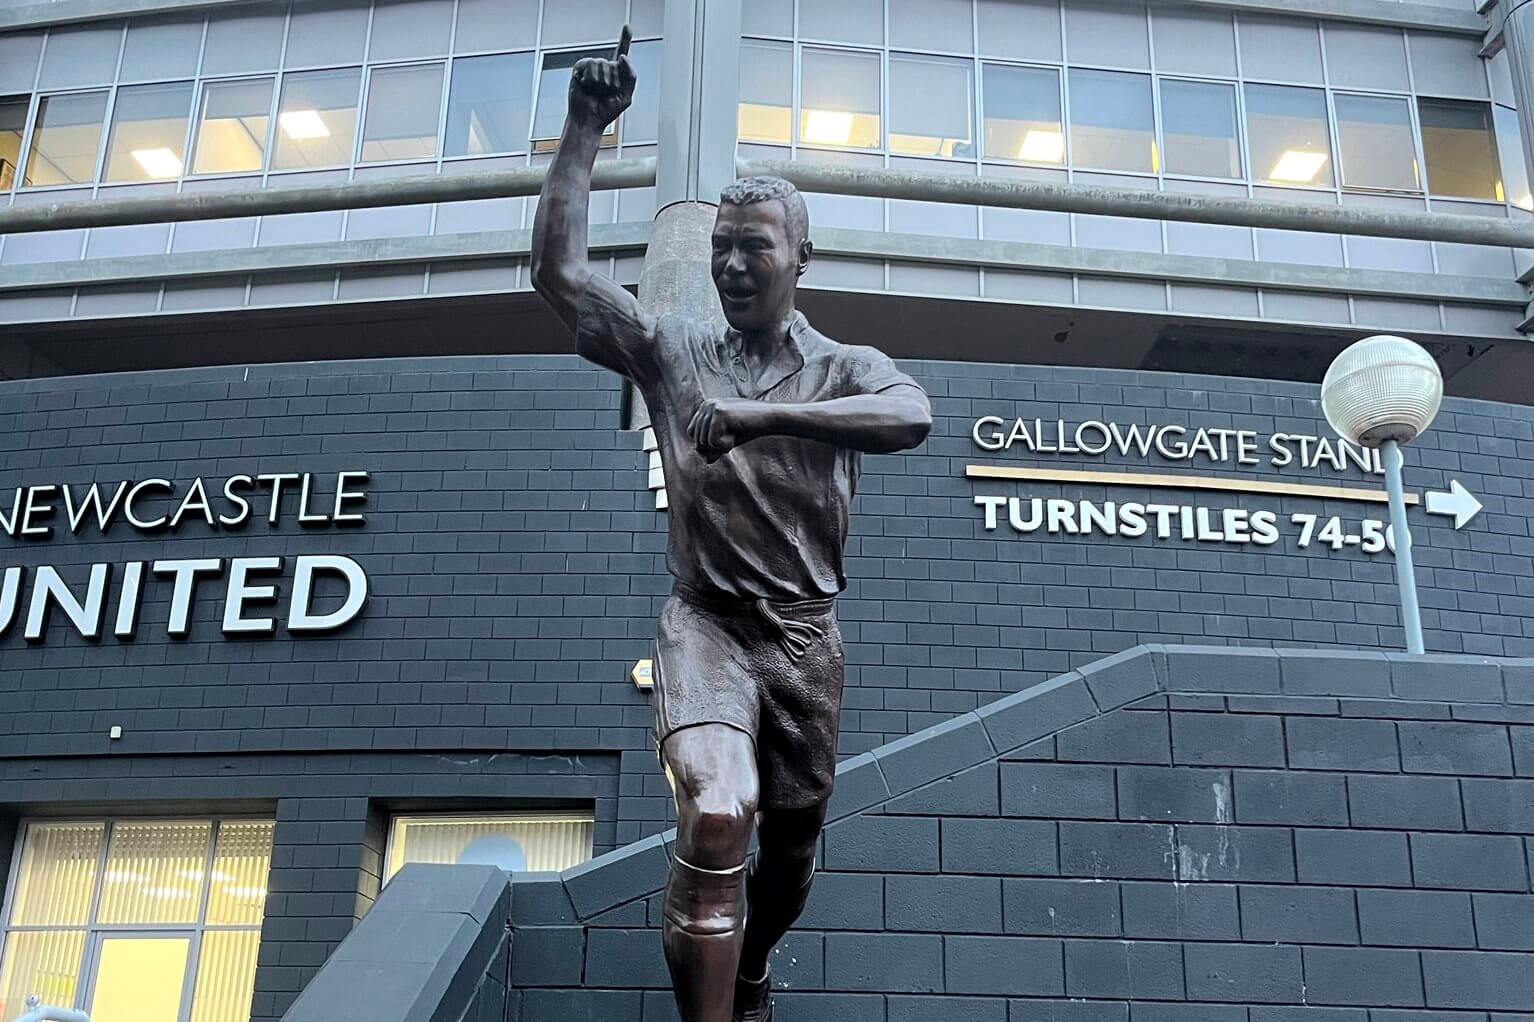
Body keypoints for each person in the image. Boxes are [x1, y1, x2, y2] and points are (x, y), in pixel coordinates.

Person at [530, 27, 932, 1022]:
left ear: (800, 254)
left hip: (801, 639)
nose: (734, 266)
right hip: (705, 623)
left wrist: (762, 415)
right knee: (717, 812)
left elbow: (910, 416)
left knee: (789, 851)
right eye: (721, 251)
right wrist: (583, 130)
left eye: (754, 247)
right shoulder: (674, 348)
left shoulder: (846, 366)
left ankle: (748, 970)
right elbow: (559, 276)